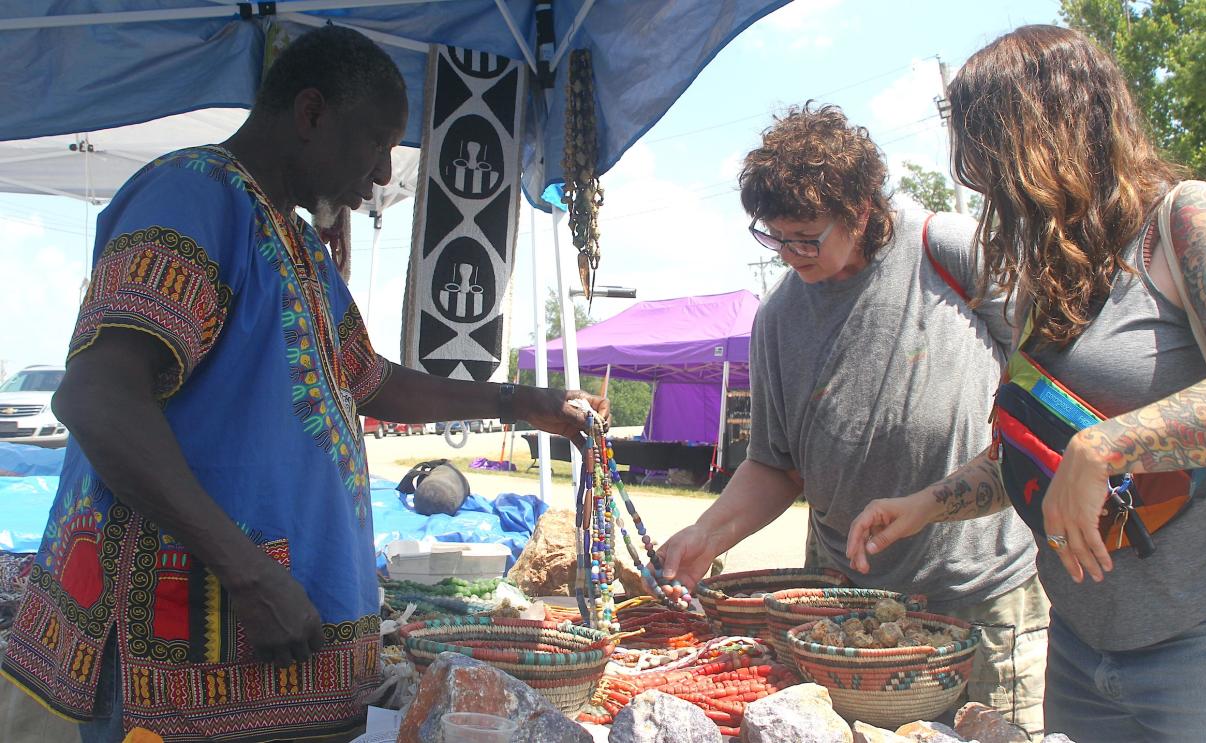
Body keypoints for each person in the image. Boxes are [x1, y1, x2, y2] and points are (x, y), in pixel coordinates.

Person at [0, 26, 607, 743]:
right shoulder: (193, 195)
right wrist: (247, 572)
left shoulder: (296, 244)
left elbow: (371, 381)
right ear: (312, 113)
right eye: (377, 142)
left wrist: (514, 401)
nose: (384, 174)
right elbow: (96, 398)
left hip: (265, 662)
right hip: (187, 651)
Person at [846, 24, 1206, 741]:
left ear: (1056, 130)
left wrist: (1107, 446)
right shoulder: (1049, 270)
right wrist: (923, 504)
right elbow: (1035, 447)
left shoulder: (1185, 220)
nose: (988, 184)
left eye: (995, 156)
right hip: (1082, 653)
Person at [658, 103, 1048, 734]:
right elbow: (774, 463)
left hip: (979, 594)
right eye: (772, 236)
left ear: (862, 211)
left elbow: (1047, 367)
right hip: (842, 608)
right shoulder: (778, 317)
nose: (789, 255)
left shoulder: (946, 248)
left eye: (806, 237)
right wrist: (708, 535)